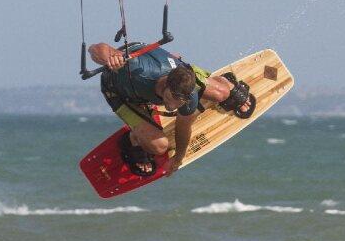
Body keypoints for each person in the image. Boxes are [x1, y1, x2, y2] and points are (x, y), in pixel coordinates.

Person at [88, 42, 255, 177]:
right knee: (159, 146)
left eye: (179, 103)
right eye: (171, 99)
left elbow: (183, 127)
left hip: (174, 71)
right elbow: (95, 48)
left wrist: (178, 158)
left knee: (223, 93)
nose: (173, 106)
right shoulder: (136, 68)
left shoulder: (187, 95)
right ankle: (132, 139)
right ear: (166, 85)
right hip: (119, 89)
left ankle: (222, 81)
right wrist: (111, 58)